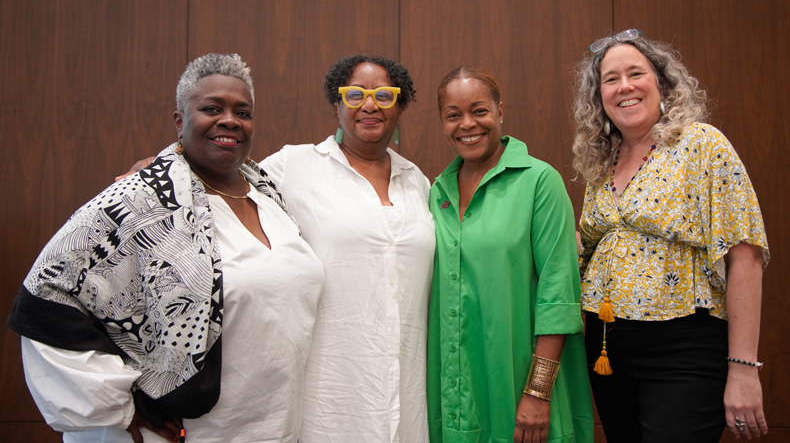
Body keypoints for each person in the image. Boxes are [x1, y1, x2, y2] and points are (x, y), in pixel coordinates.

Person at [7, 53, 325, 443]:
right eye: (212, 108)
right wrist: (114, 406)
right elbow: (46, 296)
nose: (229, 120)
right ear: (180, 121)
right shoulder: (142, 201)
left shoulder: (268, 194)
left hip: (269, 425)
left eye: (242, 111)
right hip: (182, 429)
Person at [572, 30, 769, 443]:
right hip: (608, 352)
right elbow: (590, 250)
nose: (624, 86)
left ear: (661, 83)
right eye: (610, 79)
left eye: (635, 73)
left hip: (685, 350)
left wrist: (743, 368)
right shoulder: (601, 163)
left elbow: (745, 256)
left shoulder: (702, 144)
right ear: (599, 97)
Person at [260, 54, 435, 442]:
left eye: (384, 96)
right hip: (330, 396)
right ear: (336, 103)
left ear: (400, 106)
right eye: (355, 94)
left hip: (406, 393)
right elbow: (221, 178)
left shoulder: (417, 181)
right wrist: (166, 162)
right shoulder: (293, 166)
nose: (369, 105)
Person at [427, 67, 593, 443]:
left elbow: (559, 294)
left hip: (520, 383)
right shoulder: (436, 192)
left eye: (479, 110)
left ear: (500, 111)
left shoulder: (539, 181)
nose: (467, 124)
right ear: (443, 123)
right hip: (456, 388)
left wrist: (537, 392)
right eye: (454, 115)